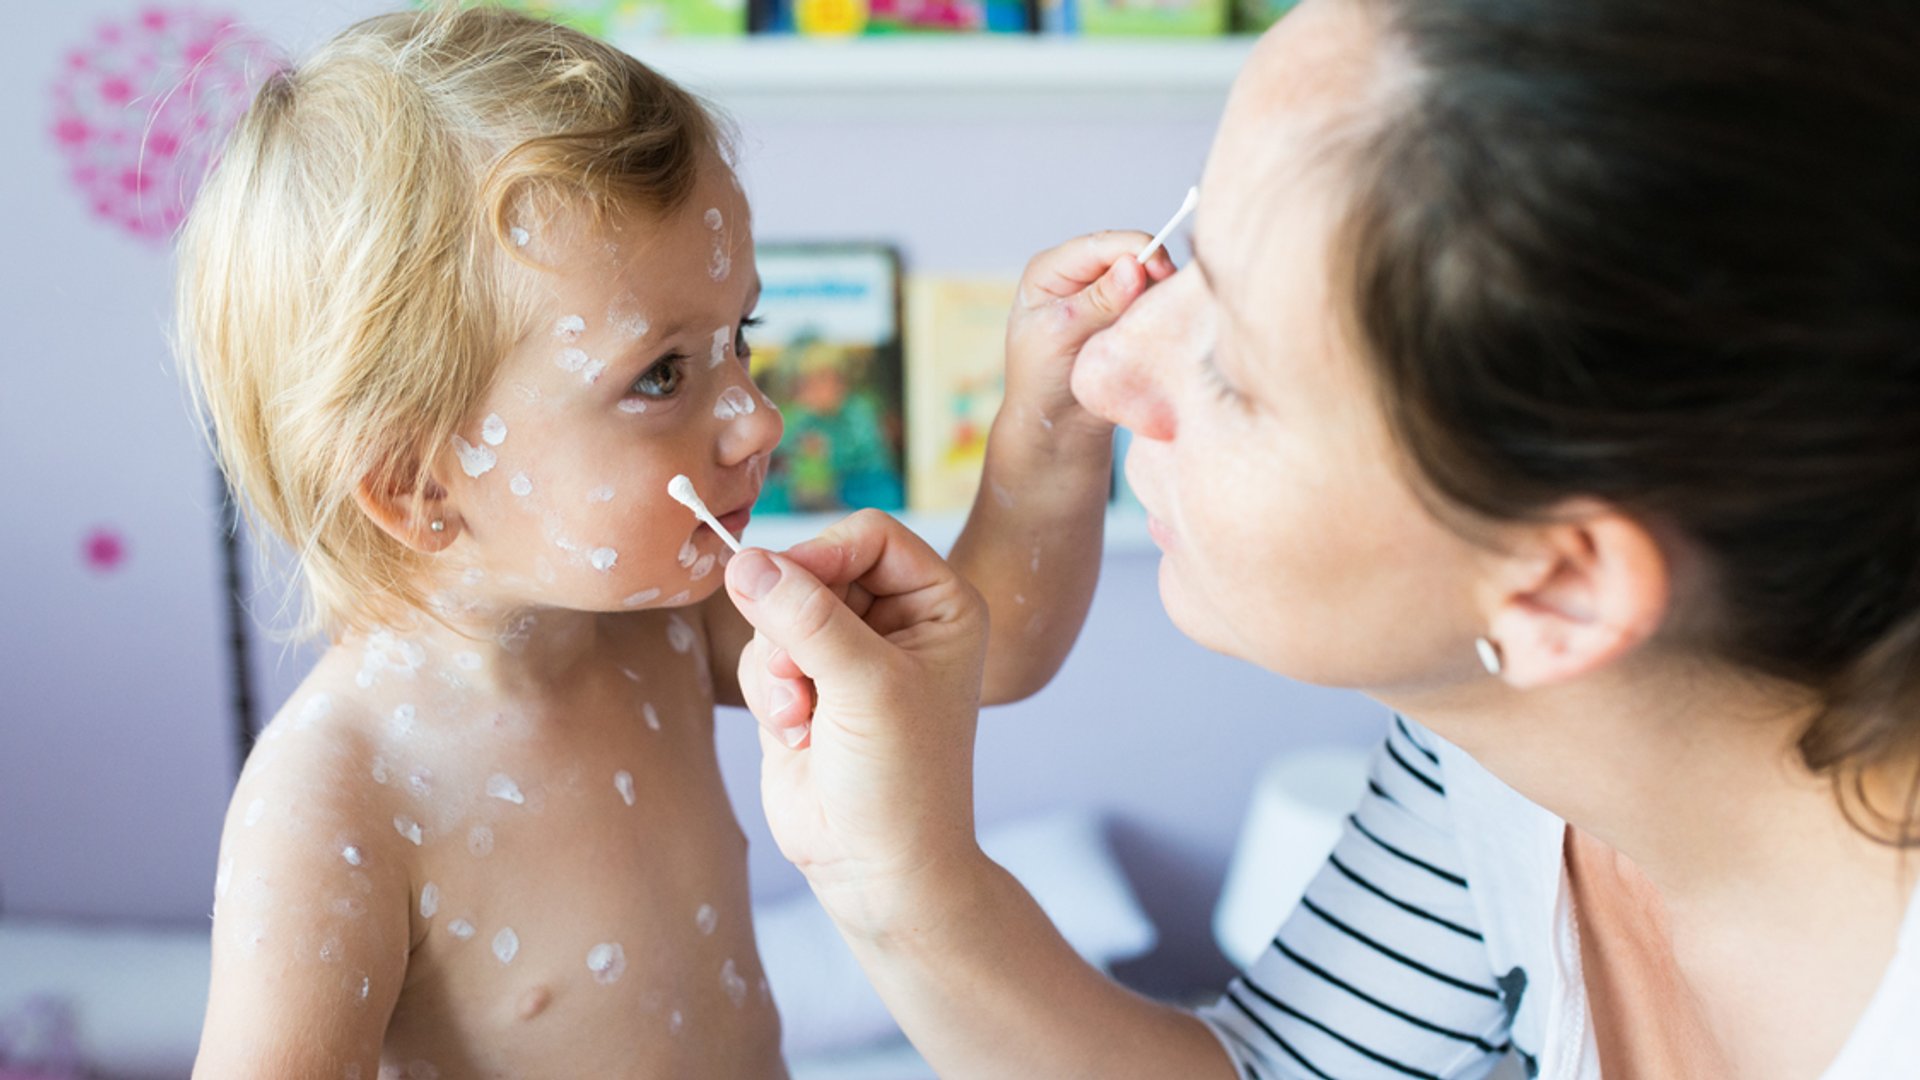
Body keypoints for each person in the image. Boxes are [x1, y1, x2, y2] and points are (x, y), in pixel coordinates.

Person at [720, 0, 1920, 1076]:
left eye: (1235, 370)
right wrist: (897, 886)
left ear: (1558, 590)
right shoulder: (1495, 751)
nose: (1101, 367)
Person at [173, 7, 1169, 1076]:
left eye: (741, 338)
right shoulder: (334, 802)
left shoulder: (657, 629)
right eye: (660, 374)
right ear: (418, 487)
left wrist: (1053, 425)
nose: (760, 419)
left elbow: (986, 651)